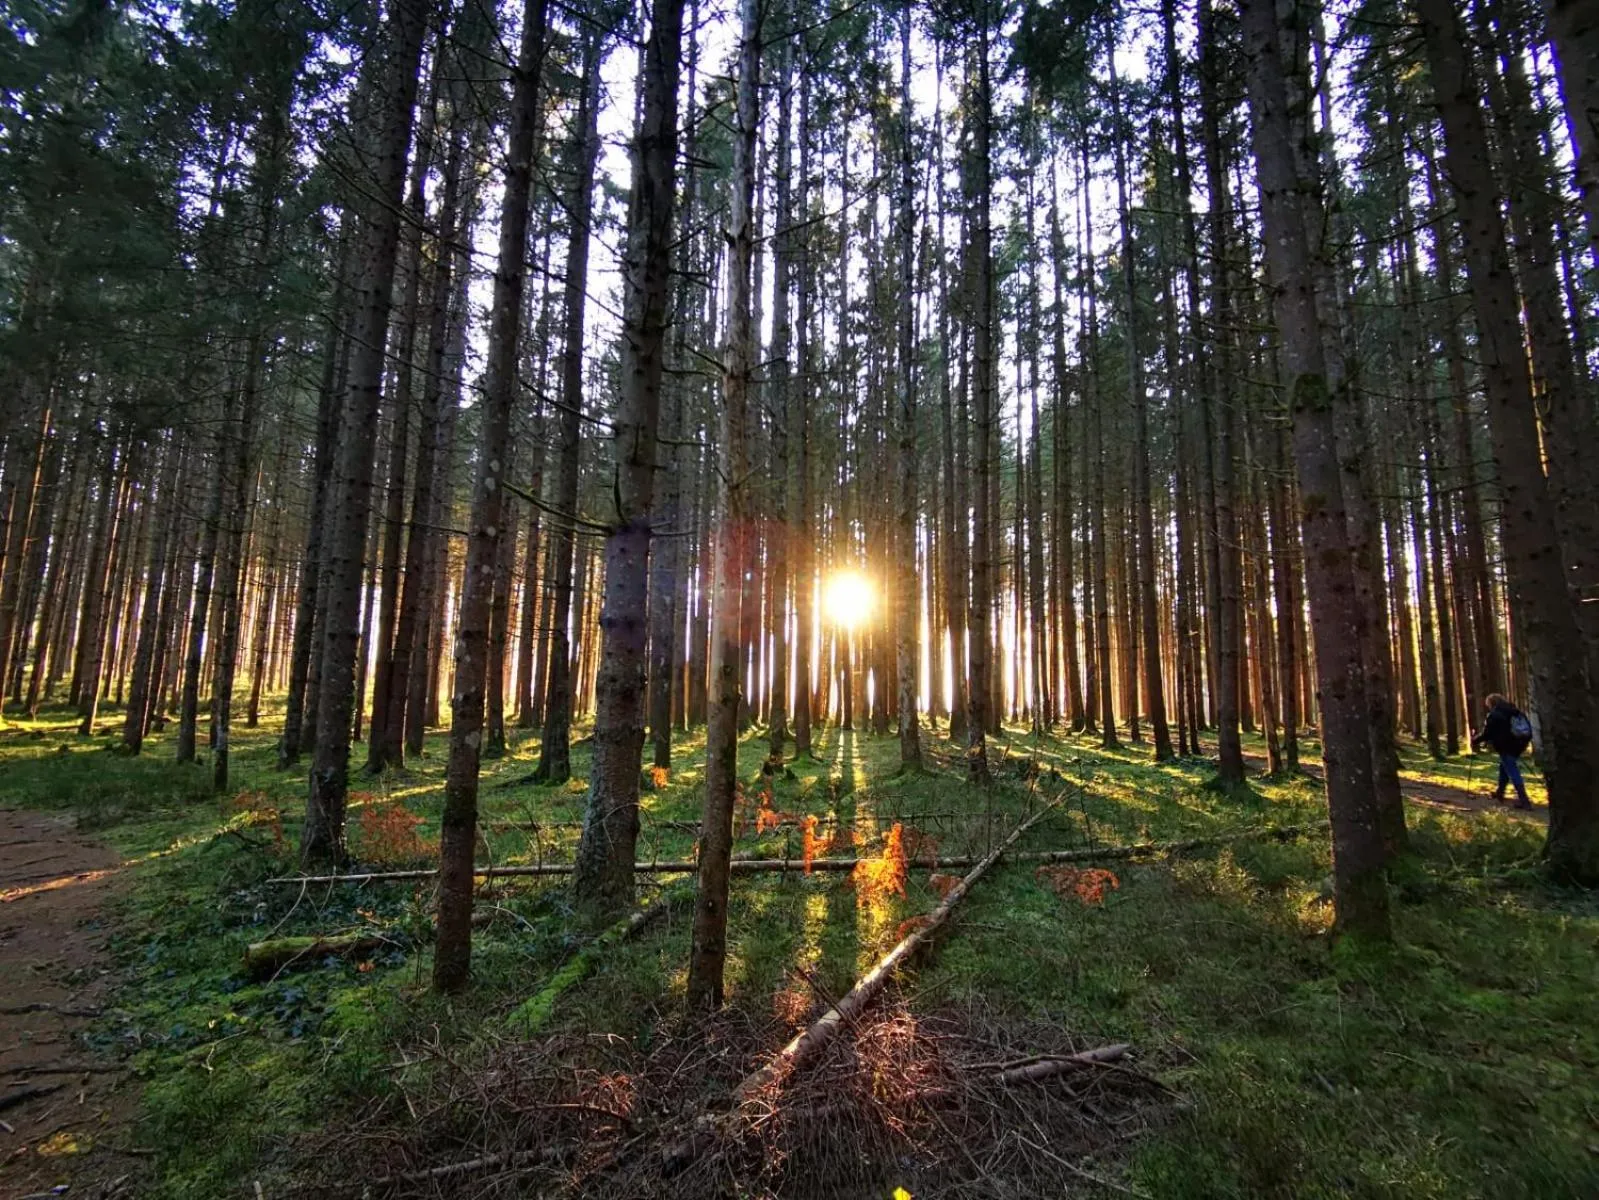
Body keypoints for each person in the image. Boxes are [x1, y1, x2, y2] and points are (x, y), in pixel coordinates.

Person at [1471, 693, 1534, 810]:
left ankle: (1524, 800)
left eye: (1488, 705)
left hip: (1506, 746)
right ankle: (1500, 792)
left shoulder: (1495, 715)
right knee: (1504, 766)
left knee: (1512, 769)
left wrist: (1475, 740)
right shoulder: (1515, 711)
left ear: (1491, 704)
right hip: (1520, 744)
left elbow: (1487, 733)